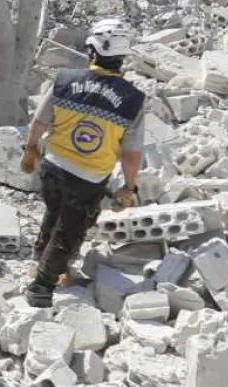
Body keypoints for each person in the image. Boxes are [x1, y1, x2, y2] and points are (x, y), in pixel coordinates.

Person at [19, 18, 144, 309]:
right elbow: (131, 153)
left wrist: (31, 150)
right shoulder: (133, 100)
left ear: (92, 52)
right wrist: (129, 187)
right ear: (122, 58)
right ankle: (41, 287)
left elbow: (38, 121)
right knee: (69, 231)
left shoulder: (64, 80)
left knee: (54, 212)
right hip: (89, 177)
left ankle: (41, 257)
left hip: (53, 166)